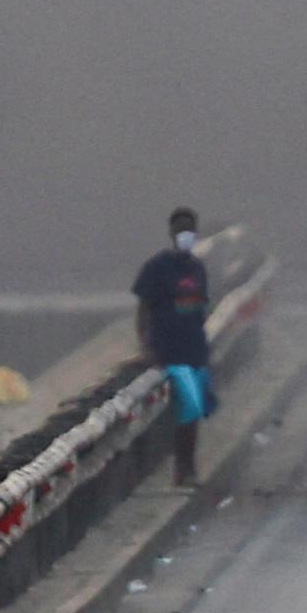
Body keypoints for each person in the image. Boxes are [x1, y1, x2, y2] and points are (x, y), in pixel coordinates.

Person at [132, 208, 212, 486]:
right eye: (181, 231)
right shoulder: (157, 268)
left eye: (189, 230)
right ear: (172, 234)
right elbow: (143, 308)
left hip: (194, 350)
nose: (185, 236)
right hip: (168, 350)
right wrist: (146, 346)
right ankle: (184, 469)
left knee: (192, 411)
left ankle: (186, 467)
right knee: (187, 408)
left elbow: (201, 309)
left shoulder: (197, 268)